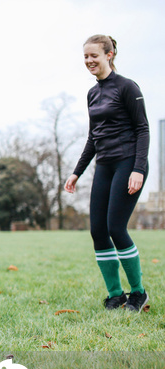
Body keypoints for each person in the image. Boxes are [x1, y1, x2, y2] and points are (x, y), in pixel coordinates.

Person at [64, 34, 150, 312]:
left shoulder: (126, 87)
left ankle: (138, 293)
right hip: (105, 164)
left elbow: (142, 129)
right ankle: (116, 295)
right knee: (98, 231)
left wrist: (138, 168)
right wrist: (77, 172)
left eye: (94, 56)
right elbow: (93, 137)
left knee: (116, 227)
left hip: (128, 162)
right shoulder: (92, 93)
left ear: (109, 55)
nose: (89, 61)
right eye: (86, 57)